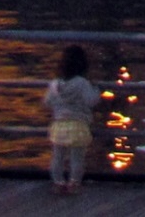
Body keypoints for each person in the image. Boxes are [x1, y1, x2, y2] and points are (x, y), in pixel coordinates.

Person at [42, 44, 98, 196]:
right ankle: (74, 183)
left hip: (59, 124)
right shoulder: (82, 83)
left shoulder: (55, 84)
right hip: (78, 124)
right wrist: (97, 90)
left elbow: (47, 102)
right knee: (77, 158)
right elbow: (91, 101)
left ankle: (58, 182)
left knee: (57, 156)